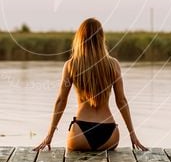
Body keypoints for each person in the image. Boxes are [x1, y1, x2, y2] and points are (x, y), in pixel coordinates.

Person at [34, 18, 147, 152]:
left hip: (80, 133)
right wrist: (132, 135)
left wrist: (49, 135)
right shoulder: (113, 65)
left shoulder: (71, 65)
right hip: (109, 134)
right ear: (101, 38)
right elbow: (121, 100)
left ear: (80, 38)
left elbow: (61, 100)